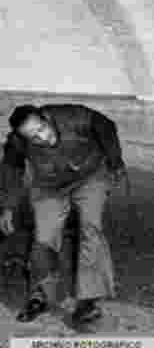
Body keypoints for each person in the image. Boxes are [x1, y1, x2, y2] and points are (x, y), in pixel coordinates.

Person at [0, 104, 125, 327]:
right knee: (44, 238)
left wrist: (115, 162)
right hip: (49, 187)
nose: (42, 137)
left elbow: (105, 126)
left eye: (41, 128)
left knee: (91, 228)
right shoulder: (17, 142)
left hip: (90, 178)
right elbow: (11, 170)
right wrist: (8, 207)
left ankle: (87, 301)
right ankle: (40, 296)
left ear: (45, 118)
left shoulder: (72, 116)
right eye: (33, 137)